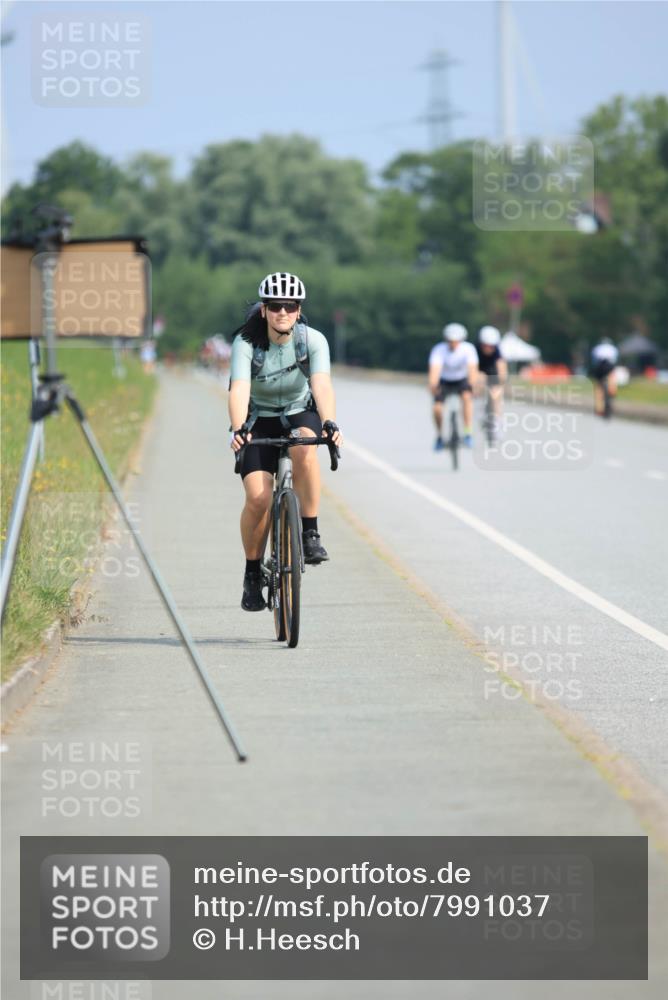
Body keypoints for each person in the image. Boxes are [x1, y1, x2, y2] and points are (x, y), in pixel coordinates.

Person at [228, 272, 343, 612]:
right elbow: (239, 388)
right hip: (257, 418)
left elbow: (321, 385)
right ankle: (252, 573)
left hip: (297, 411)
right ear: (264, 310)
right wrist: (238, 429)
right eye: (275, 306)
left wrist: (329, 422)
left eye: (290, 306)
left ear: (298, 310)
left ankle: (310, 533)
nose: (283, 312)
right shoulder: (246, 344)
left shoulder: (313, 341)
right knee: (258, 498)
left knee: (306, 445)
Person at [428, 322, 478, 449]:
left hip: (461, 379)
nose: (453, 344)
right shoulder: (439, 349)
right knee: (437, 409)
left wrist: (472, 385)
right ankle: (439, 435)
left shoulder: (468, 349)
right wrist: (433, 385)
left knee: (467, 398)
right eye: (450, 341)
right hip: (444, 380)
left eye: (456, 341)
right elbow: (435, 369)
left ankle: (467, 432)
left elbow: (472, 369)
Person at [475, 325, 507, 424]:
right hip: (479, 369)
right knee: (479, 379)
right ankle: (480, 406)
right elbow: (472, 368)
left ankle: (496, 419)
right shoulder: (475, 350)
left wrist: (501, 381)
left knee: (496, 393)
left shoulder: (498, 352)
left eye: (491, 346)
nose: (488, 349)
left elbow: (502, 368)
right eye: (485, 346)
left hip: (492, 370)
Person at [589, 337, 619, 416]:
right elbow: (615, 360)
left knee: (599, 386)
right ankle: (612, 391)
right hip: (609, 366)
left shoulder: (597, 348)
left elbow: (594, 361)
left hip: (599, 366)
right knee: (612, 378)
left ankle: (599, 408)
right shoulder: (613, 348)